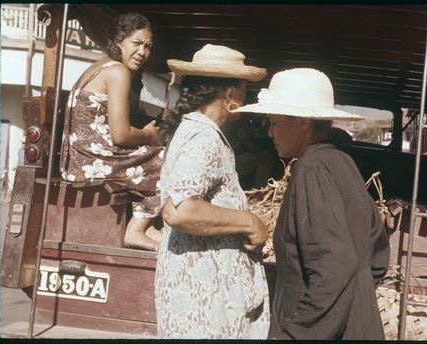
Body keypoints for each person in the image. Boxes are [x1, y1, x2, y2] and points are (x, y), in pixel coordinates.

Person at [235, 68, 390, 340]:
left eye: (274, 121)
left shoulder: (312, 169)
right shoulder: (343, 162)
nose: (269, 132)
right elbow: (377, 256)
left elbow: (335, 266)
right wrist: (356, 297)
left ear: (304, 122)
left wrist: (295, 335)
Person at [155, 44, 270, 339]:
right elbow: (179, 210)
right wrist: (249, 221)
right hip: (204, 305)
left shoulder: (194, 131)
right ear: (230, 94)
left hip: (197, 296)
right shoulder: (204, 138)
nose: (247, 98)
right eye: (244, 89)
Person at [59, 12, 164, 251]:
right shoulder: (118, 72)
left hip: (78, 158)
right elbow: (121, 135)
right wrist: (148, 134)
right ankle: (136, 230)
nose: (143, 52)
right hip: (91, 161)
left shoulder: (99, 66)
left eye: (147, 46)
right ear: (118, 41)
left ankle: (146, 225)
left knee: (156, 153)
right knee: (166, 158)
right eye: (136, 43)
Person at [221, 114, 274, 189]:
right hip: (229, 164)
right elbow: (251, 147)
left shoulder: (229, 117)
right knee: (266, 156)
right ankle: (260, 193)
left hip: (224, 162)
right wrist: (269, 147)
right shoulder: (238, 119)